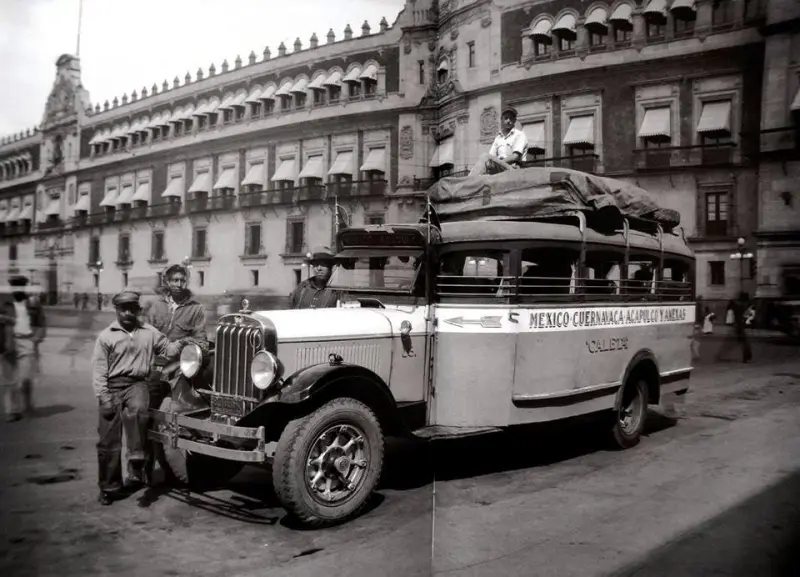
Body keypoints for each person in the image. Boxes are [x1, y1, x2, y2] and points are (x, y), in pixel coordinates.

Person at [91, 290, 182, 505]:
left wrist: (186, 343)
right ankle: (109, 487)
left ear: (138, 310)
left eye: (132, 309)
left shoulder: (149, 332)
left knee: (139, 411)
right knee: (108, 441)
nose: (127, 313)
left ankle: (136, 461)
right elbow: (99, 369)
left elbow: (168, 349)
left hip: (137, 384)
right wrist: (103, 395)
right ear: (116, 311)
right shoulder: (106, 336)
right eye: (123, 309)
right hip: (111, 386)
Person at [142, 263, 209, 484]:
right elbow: (145, 336)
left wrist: (185, 343)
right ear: (167, 282)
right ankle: (146, 470)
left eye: (182, 280)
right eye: (174, 280)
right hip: (155, 368)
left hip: (181, 371)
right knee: (148, 418)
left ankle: (174, 471)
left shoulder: (196, 309)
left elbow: (202, 343)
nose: (178, 284)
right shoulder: (156, 306)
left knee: (174, 420)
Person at [0, 275, 47, 422]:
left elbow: (41, 323)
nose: (18, 290)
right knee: (9, 379)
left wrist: (36, 338)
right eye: (15, 287)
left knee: (25, 377)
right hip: (8, 341)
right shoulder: (3, 303)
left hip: (27, 341)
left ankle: (26, 406)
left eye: (21, 286)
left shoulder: (33, 303)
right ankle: (12, 411)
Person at [469, 106, 529, 176]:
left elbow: (515, 156)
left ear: (514, 121)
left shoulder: (520, 135)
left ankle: (468, 180)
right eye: (506, 118)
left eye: (511, 118)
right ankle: (470, 179)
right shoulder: (498, 138)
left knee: (485, 157)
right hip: (501, 167)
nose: (508, 121)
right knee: (483, 163)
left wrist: (498, 162)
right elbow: (491, 155)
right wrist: (495, 163)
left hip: (513, 167)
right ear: (501, 120)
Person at [716, 292, 753, 364]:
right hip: (741, 327)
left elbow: (732, 306)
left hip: (738, 326)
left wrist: (732, 301)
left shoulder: (738, 306)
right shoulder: (743, 306)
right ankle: (747, 358)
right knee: (744, 343)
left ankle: (720, 355)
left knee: (731, 343)